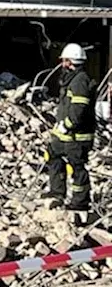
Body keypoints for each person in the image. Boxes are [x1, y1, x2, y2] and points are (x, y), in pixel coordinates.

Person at [44, 43, 95, 211]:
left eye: (65, 60)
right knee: (51, 155)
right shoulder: (71, 80)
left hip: (77, 136)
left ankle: (80, 202)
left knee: (76, 167)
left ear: (71, 61)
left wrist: (67, 125)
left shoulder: (80, 81)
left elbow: (78, 109)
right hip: (64, 134)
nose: (62, 64)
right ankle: (57, 191)